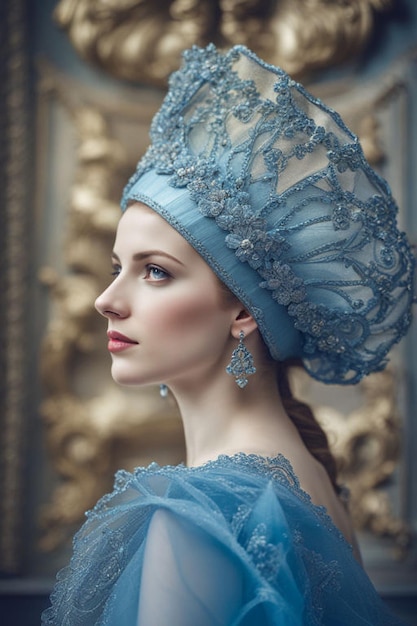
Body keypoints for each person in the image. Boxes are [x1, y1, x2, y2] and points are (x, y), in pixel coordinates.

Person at [42, 44, 415, 625]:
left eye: (155, 272)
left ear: (244, 311)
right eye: (118, 268)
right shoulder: (309, 476)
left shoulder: (198, 513)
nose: (106, 301)